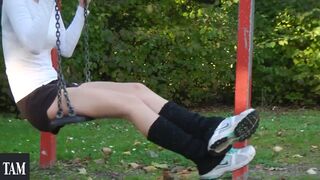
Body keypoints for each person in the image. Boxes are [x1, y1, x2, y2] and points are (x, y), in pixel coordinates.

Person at [1, 0, 259, 179]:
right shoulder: (15, 2)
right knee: (130, 106)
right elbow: (32, 44)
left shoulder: (45, 4)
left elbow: (65, 46)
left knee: (137, 90)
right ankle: (205, 159)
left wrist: (82, 9)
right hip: (36, 98)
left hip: (55, 86)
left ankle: (209, 128)